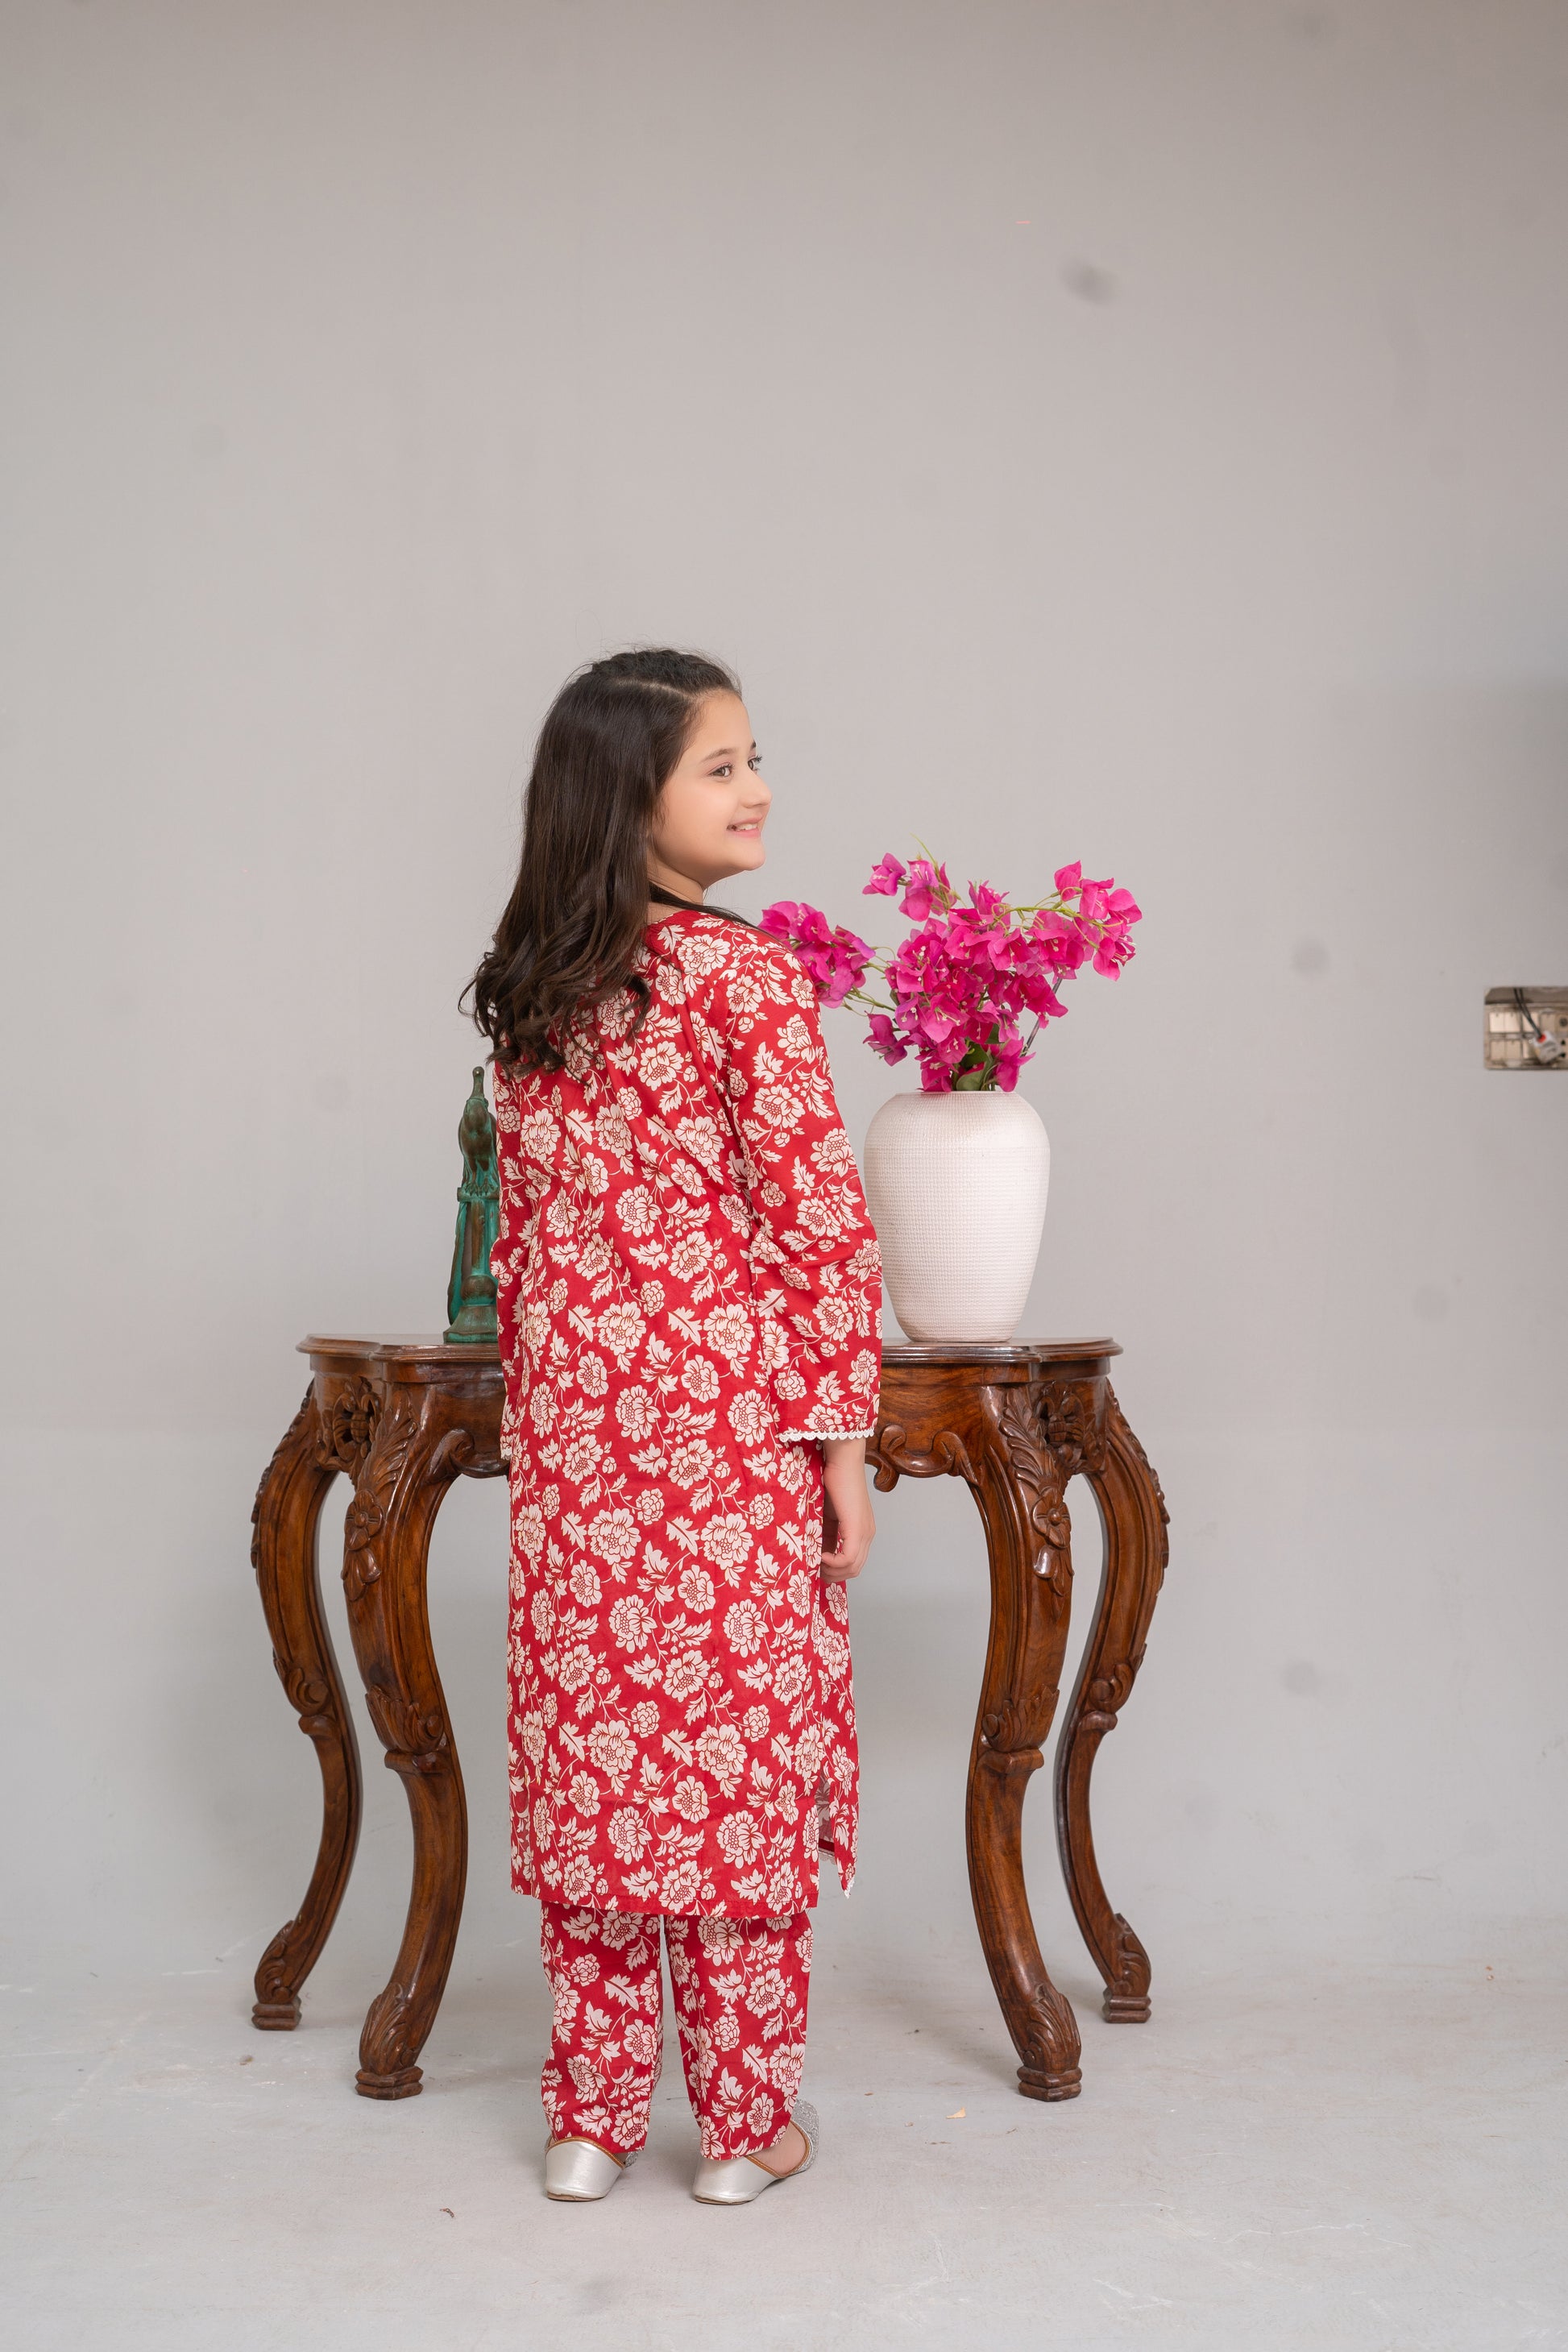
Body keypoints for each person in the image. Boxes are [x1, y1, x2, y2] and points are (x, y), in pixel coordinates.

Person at [464, 649, 882, 2205]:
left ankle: (589, 2127)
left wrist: (561, 1428)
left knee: (599, 1773)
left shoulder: (532, 995)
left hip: (578, 1452)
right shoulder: (742, 979)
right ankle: (744, 2130)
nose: (758, 788)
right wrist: (842, 1450)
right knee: (732, 1777)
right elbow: (819, 1227)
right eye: (722, 766)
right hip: (724, 1448)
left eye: (752, 758)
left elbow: (518, 1256)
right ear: (626, 795)